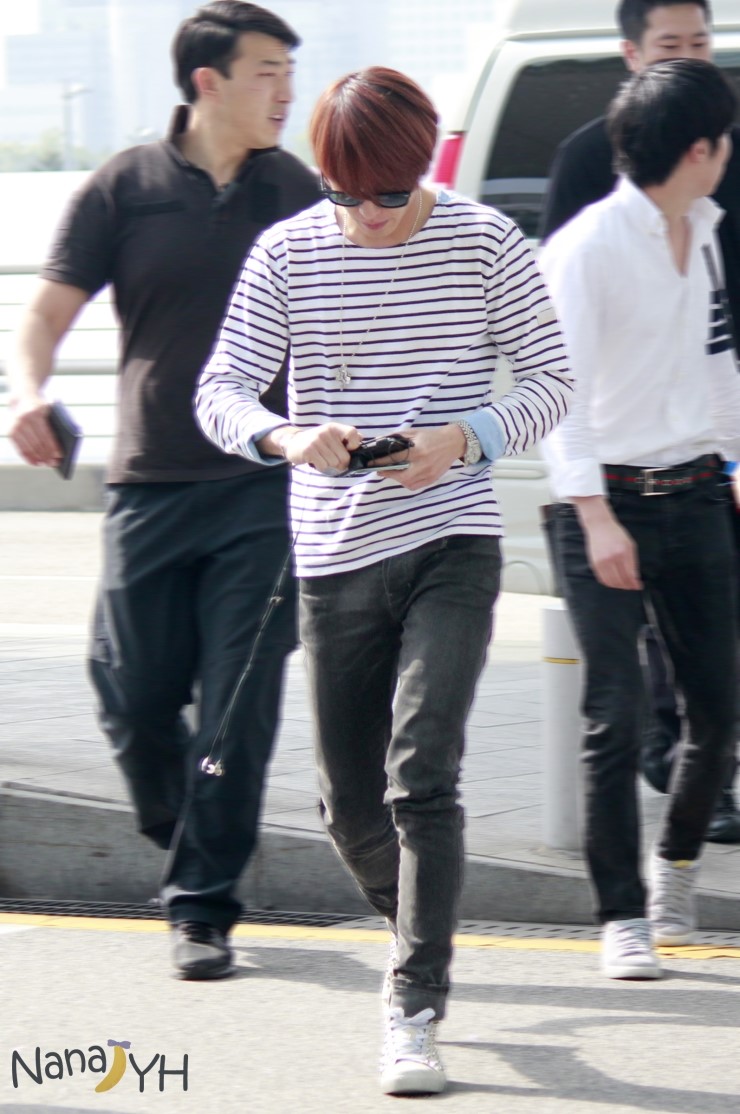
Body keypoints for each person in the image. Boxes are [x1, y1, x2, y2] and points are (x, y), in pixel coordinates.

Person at [195, 66, 572, 1095]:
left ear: (422, 166)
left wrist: (464, 436)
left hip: (452, 541)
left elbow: (551, 380)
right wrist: (287, 435)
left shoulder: (486, 242)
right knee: (348, 809)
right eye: (343, 194)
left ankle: (412, 1005)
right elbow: (220, 390)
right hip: (332, 553)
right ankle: (420, 928)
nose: (365, 215)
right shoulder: (287, 252)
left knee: (422, 774)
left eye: (388, 194)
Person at [6, 1, 321, 980]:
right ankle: (188, 831)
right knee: (132, 695)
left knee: (236, 706)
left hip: (262, 490)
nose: (286, 90)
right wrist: (28, 394)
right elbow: (44, 317)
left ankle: (202, 905)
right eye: (267, 71)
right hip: (150, 484)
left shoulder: (296, 191)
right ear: (207, 82)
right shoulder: (123, 186)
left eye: (290, 71)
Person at [540, 58, 740, 980]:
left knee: (720, 712)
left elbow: (717, 363)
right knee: (613, 717)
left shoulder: (705, 233)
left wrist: (736, 461)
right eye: (724, 139)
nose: (729, 153)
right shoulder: (586, 248)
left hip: (694, 492)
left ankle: (676, 865)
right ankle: (621, 915)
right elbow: (558, 398)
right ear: (698, 149)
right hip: (604, 502)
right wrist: (595, 517)